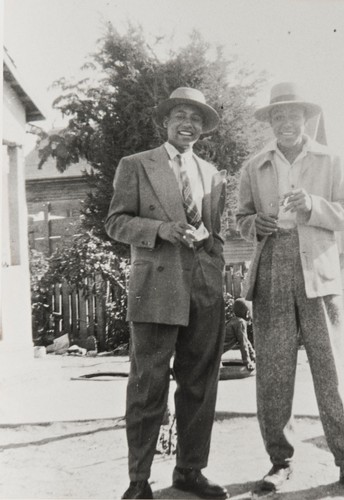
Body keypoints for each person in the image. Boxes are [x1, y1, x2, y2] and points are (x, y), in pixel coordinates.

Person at [236, 82, 344, 496]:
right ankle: (280, 462)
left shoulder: (331, 160)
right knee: (275, 373)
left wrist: (312, 206)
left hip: (318, 268)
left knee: (331, 370)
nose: (285, 122)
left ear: (306, 118)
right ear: (270, 121)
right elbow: (243, 217)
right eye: (277, 116)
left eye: (293, 115)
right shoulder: (255, 165)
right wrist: (254, 225)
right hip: (273, 268)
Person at [105, 87, 229, 500]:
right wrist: (159, 229)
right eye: (180, 115)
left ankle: (189, 471)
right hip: (157, 286)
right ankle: (138, 481)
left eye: (196, 118)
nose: (188, 124)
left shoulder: (212, 175)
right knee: (148, 385)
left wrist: (214, 265)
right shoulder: (137, 165)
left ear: (202, 127)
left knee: (199, 383)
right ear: (165, 121)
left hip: (204, 289)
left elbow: (216, 234)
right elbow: (116, 223)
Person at [223, 298, 256, 370]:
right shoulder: (240, 322)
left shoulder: (235, 321)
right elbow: (243, 343)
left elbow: (246, 340)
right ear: (247, 314)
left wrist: (253, 355)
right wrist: (247, 362)